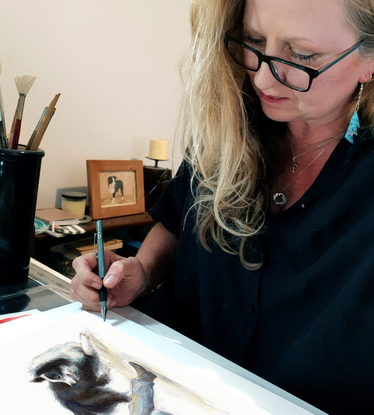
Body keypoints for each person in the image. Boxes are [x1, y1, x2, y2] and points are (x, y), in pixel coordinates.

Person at [70, 0, 374, 413]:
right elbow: (179, 222)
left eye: (302, 56)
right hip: (159, 380)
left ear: (368, 60)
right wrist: (140, 271)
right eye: (254, 40)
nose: (264, 75)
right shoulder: (228, 126)